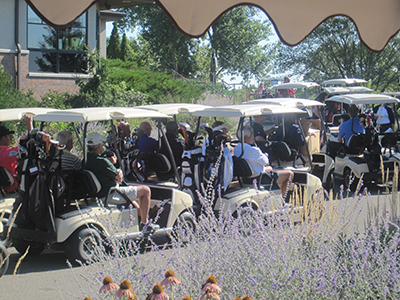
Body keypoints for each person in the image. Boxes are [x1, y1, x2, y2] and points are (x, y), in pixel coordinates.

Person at [85, 133, 159, 232]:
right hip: (110, 193)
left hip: (98, 193)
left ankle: (143, 218)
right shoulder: (102, 162)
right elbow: (119, 179)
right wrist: (114, 164)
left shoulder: (85, 160)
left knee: (131, 200)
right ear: (99, 146)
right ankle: (145, 224)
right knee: (145, 190)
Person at [233, 126, 293, 197]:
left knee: (270, 168)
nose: (253, 137)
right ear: (246, 138)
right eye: (252, 135)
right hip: (260, 179)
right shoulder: (254, 150)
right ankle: (282, 198)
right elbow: (266, 162)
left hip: (245, 179)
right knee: (290, 174)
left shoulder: (236, 149)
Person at [0, 114, 33, 193]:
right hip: (17, 189)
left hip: (4, 190)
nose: (10, 139)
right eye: (9, 136)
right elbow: (30, 145)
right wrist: (29, 124)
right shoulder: (8, 152)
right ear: (4, 138)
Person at [202, 121, 233, 191]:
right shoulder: (219, 144)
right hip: (217, 172)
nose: (227, 132)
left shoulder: (207, 142)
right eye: (225, 130)